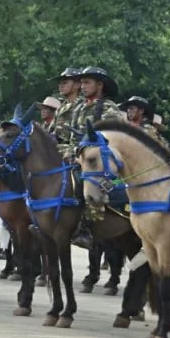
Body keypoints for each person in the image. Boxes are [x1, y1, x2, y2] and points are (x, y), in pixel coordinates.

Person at [70, 66, 125, 249]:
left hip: (101, 160)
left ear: (99, 85)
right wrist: (70, 153)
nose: (82, 86)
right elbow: (72, 139)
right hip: (79, 156)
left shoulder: (109, 108)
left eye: (87, 82)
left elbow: (115, 139)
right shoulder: (78, 107)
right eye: (81, 82)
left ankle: (85, 228)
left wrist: (86, 155)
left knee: (83, 181)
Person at [48, 67, 82, 154]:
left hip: (74, 153)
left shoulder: (83, 106)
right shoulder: (61, 108)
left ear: (77, 85)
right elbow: (51, 132)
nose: (60, 86)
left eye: (65, 82)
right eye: (60, 83)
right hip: (56, 151)